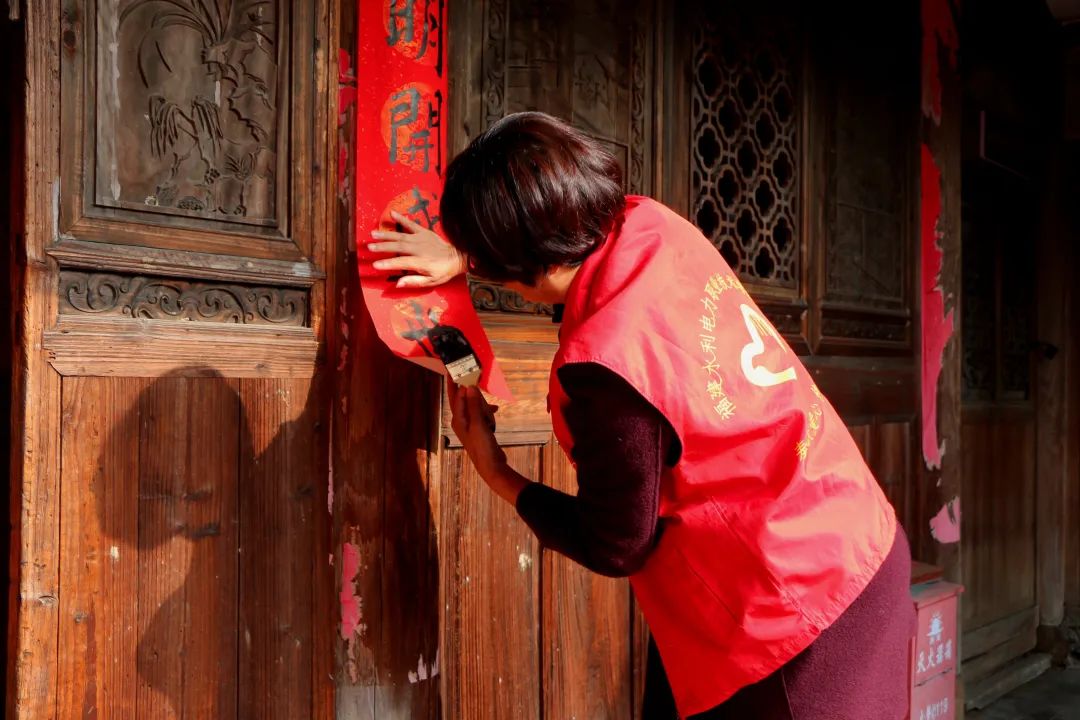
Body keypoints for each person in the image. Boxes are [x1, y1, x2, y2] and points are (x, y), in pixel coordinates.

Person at [367, 111, 915, 720]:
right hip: (852, 536)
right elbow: (556, 256)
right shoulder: (649, 224)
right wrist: (466, 260)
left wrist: (497, 473)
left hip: (797, 620)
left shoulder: (605, 363)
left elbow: (616, 544)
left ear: (515, 257)